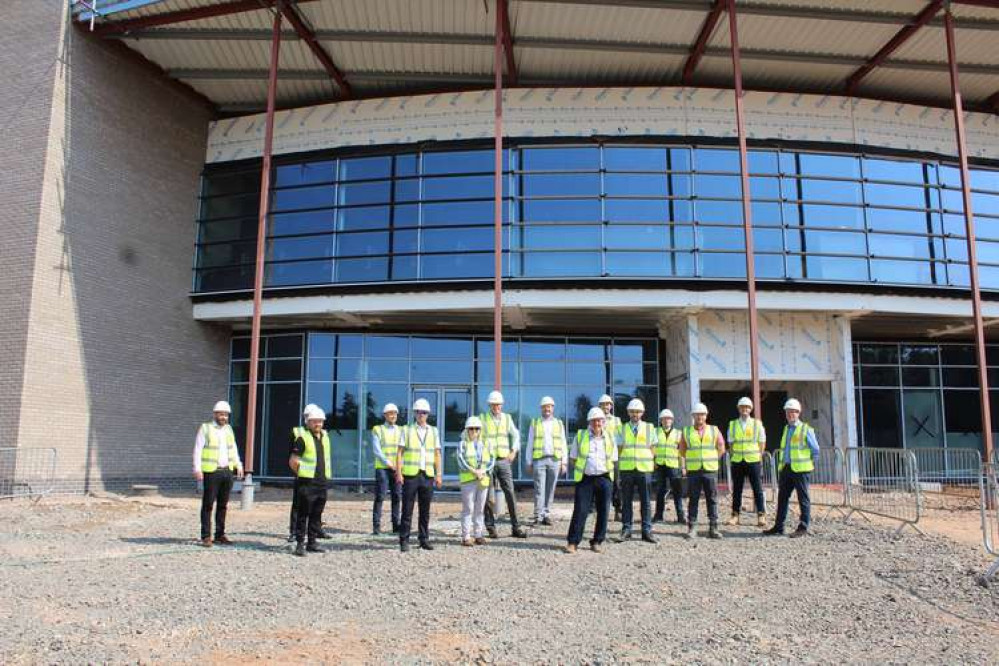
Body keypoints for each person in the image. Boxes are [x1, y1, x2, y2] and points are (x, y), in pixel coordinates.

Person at [564, 407, 618, 554]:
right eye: (594, 420)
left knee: (603, 511)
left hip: (604, 478)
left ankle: (597, 541)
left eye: (600, 420)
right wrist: (586, 468)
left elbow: (613, 459)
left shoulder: (610, 437)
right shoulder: (580, 436)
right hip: (585, 479)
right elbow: (573, 458)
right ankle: (573, 542)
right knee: (580, 510)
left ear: (604, 421)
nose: (597, 423)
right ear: (589, 422)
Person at [765, 398, 820, 538]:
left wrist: (810, 466)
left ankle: (803, 527)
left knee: (803, 499)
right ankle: (779, 526)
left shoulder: (806, 429)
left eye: (793, 412)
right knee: (782, 497)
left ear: (798, 413)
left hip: (801, 470)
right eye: (788, 412)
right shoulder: (786, 429)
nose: (790, 414)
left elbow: (815, 450)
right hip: (787, 468)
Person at [193, 400, 244, 547]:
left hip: (227, 471)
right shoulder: (206, 428)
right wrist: (197, 468)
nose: (224, 417)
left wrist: (238, 465)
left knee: (223, 505)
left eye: (226, 415)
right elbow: (198, 449)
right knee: (208, 504)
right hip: (211, 471)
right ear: (215, 414)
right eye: (221, 414)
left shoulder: (228, 429)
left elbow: (233, 448)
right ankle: (206, 536)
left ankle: (220, 535)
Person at [395, 398, 443, 552]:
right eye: (419, 412)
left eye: (424, 412)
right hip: (410, 475)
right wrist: (399, 472)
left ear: (428, 414)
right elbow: (400, 453)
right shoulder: (407, 430)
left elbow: (437, 454)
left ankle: (424, 539)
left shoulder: (434, 431)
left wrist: (439, 474)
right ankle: (404, 540)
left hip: (427, 475)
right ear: (415, 413)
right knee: (407, 509)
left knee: (425, 510)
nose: (421, 414)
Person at [481, 391, 528, 539]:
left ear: (502, 405)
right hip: (487, 461)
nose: (496, 406)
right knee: (487, 496)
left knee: (510, 493)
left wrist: (514, 451)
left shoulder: (507, 419)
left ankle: (516, 526)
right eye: (494, 404)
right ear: (490, 405)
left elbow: (516, 435)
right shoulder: (482, 419)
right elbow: (471, 435)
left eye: (498, 404)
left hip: (503, 461)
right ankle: (491, 528)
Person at [289, 404, 332, 557]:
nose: (317, 424)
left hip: (322, 483)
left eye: (320, 421)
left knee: (316, 514)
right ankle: (300, 544)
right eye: (314, 421)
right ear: (308, 422)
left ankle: (312, 543)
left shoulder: (325, 437)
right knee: (303, 514)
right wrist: (302, 475)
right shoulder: (302, 438)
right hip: (307, 483)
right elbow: (293, 461)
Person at [679, 402, 725, 540]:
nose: (700, 416)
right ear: (693, 415)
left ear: (706, 415)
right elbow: (682, 450)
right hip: (693, 470)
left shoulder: (714, 430)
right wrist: (684, 466)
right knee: (693, 499)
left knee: (712, 499)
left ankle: (713, 527)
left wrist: (712, 459)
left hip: (709, 470)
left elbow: (721, 448)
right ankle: (692, 527)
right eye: (697, 414)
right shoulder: (686, 431)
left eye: (702, 414)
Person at [616, 398, 658, 544]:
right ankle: (626, 529)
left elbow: (653, 448)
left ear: (642, 412)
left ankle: (646, 530)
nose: (635, 414)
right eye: (633, 411)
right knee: (626, 501)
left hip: (644, 469)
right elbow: (619, 448)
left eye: (638, 411)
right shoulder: (621, 428)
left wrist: (649, 461)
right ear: (628, 412)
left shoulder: (649, 427)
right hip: (627, 469)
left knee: (646, 501)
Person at [727, 396, 768, 527]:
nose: (745, 409)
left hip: (753, 461)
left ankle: (761, 515)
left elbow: (762, 442)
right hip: (738, 461)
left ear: (751, 409)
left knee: (757, 489)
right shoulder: (733, 424)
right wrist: (735, 456)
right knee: (737, 490)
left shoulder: (757, 424)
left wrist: (758, 456)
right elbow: (731, 444)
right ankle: (735, 515)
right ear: (738, 409)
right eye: (742, 407)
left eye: (747, 407)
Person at [526, 396, 567, 526]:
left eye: (549, 406)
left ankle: (547, 515)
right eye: (544, 406)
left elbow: (563, 443)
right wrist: (528, 461)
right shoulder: (535, 422)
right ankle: (538, 515)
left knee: (550, 489)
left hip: (555, 460)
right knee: (539, 489)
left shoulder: (559, 423)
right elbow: (530, 442)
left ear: (552, 408)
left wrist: (564, 462)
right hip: (539, 460)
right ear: (541, 408)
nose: (547, 409)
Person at [457, 416, 494, 546]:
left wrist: (483, 472)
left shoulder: (486, 444)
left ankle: (478, 535)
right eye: (471, 429)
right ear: (467, 430)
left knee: (479, 509)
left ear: (480, 430)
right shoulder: (462, 444)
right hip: (468, 480)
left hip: (483, 480)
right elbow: (461, 461)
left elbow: (492, 460)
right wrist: (475, 471)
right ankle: (466, 536)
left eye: (476, 429)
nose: (474, 431)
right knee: (468, 509)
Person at [371, 402, 403, 535]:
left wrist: (398, 466)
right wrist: (389, 463)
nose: (393, 416)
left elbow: (402, 450)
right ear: (385, 415)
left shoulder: (401, 430)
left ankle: (396, 526)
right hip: (383, 468)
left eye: (395, 413)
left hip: (396, 468)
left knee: (396, 496)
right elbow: (377, 450)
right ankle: (376, 527)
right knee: (380, 496)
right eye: (390, 413)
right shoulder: (377, 429)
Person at [653, 408, 685, 525]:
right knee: (660, 491)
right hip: (660, 465)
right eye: (664, 419)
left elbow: (681, 452)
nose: (666, 420)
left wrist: (683, 467)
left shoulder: (678, 433)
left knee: (677, 491)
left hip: (673, 466)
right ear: (660, 420)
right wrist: (653, 462)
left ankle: (680, 516)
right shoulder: (655, 432)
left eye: (669, 419)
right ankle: (658, 515)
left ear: (672, 420)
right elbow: (652, 449)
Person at [597, 394, 624, 520]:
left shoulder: (616, 420)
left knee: (617, 483)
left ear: (611, 406)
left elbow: (620, 439)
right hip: (599, 456)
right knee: (601, 482)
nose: (606, 406)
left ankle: (618, 509)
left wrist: (617, 454)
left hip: (613, 456)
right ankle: (601, 510)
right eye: (603, 404)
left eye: (608, 404)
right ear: (599, 406)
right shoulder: (595, 419)